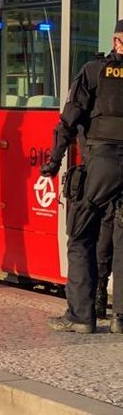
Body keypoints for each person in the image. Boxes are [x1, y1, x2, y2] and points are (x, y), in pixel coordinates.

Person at [42, 20, 123, 334]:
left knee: (80, 237)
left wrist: (52, 162)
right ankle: (119, 319)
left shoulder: (94, 72)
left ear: (116, 42)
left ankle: (81, 316)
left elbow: (68, 120)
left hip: (101, 166)